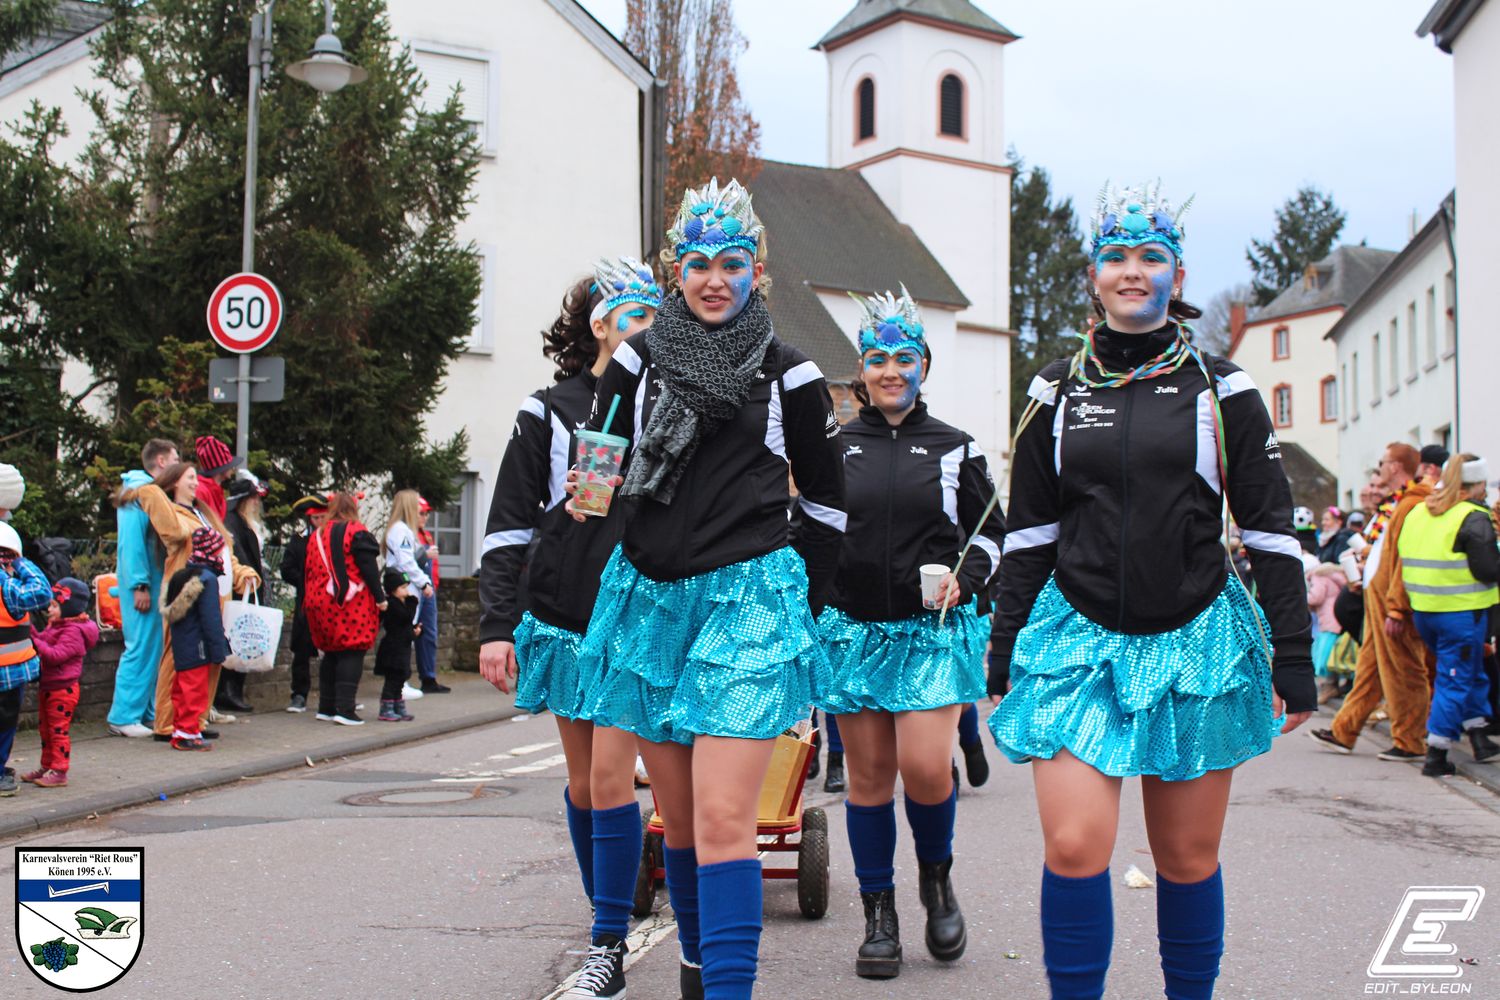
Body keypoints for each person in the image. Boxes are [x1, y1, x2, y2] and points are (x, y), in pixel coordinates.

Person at [989, 183, 1315, 1000]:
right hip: (1077, 639)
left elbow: (1270, 530)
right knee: (1074, 847)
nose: (1132, 271)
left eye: (1151, 257)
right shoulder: (1055, 389)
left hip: (1196, 639)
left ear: (1177, 274)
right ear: (1093, 276)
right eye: (1115, 257)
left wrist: (1294, 655)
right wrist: (1004, 644)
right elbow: (1029, 533)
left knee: (1186, 858)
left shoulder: (1224, 387)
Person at [570, 178, 846, 1000]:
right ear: (676, 272)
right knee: (683, 821)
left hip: (748, 606)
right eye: (699, 264)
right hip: (652, 604)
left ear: (757, 269)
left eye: (732, 263)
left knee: (727, 819)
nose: (715, 279)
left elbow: (828, 507)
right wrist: (588, 523)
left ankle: (725, 986)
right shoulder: (635, 362)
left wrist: (799, 614)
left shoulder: (791, 373)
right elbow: (595, 483)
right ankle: (698, 962)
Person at [478, 257, 660, 1000]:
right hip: (568, 615)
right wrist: (496, 625)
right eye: (635, 316)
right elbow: (507, 523)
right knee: (586, 785)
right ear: (601, 326)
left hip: (648, 618)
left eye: (656, 316)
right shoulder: (550, 409)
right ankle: (608, 904)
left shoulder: (672, 405)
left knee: (617, 780)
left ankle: (607, 943)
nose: (649, 329)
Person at [814, 287, 1004, 980]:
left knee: (925, 769)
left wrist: (966, 579)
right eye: (876, 359)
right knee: (868, 781)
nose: (890, 371)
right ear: (861, 370)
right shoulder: (834, 449)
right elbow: (807, 534)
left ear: (924, 365)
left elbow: (994, 537)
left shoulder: (957, 448)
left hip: (930, 633)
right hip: (854, 632)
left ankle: (936, 881)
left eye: (903, 358)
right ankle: (879, 917)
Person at [1310, 443, 1436, 760]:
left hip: (1393, 603)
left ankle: (1410, 740)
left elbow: (1403, 560)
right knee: (1370, 671)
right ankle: (1344, 730)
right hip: (1378, 600)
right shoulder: (1397, 503)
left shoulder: (1410, 504)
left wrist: (1397, 607)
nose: (1379, 469)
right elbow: (1383, 551)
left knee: (1404, 671)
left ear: (1395, 466)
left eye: (1383, 463)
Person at [135, 462, 260, 742]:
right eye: (189, 478)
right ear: (174, 482)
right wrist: (151, 489)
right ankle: (167, 723)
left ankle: (196, 719)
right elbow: (173, 531)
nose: (195, 482)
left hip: (217, 594)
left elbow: (224, 552)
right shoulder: (172, 515)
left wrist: (242, 573)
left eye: (195, 477)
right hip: (187, 594)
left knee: (212, 658)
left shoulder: (204, 514)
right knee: (177, 658)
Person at [1396, 453, 1500, 774]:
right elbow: (1487, 569)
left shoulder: (1418, 511)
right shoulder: (1473, 516)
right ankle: (1437, 753)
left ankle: (1479, 735)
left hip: (1426, 611)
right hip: (1462, 612)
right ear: (1477, 483)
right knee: (1454, 679)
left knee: (1469, 670)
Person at [107, 438, 179, 738]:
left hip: (150, 581)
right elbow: (132, 543)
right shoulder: (139, 493)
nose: (178, 465)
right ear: (161, 461)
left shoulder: (145, 491)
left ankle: (145, 710)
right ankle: (123, 715)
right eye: (175, 459)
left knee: (152, 647)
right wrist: (139, 584)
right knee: (141, 646)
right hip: (144, 583)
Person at [304, 492, 386, 725]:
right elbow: (368, 568)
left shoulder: (317, 535)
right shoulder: (355, 531)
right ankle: (345, 709)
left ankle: (326, 707)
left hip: (318, 602)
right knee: (351, 651)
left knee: (331, 652)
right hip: (348, 602)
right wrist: (380, 598)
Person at [22, 578, 100, 786]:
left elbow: (54, 655)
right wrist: (29, 629)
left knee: (58, 731)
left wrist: (33, 640)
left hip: (63, 689)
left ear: (68, 609)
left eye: (55, 606)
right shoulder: (56, 626)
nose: (49, 609)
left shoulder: (73, 631)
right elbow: (44, 641)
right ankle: (47, 765)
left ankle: (60, 771)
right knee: (45, 731)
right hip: (49, 686)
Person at [161, 528, 233, 750]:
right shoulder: (207, 579)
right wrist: (218, 649)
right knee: (195, 691)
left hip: (182, 643)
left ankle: (179, 729)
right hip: (199, 645)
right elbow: (211, 618)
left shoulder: (181, 576)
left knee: (181, 689)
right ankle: (188, 734)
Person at [0, 522, 53, 795]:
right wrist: (22, 563)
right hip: (8, 673)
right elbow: (42, 592)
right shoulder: (7, 585)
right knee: (4, 725)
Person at [384, 490, 444, 693]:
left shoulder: (401, 529)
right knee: (403, 636)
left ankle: (400, 682)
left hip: (408, 586)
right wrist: (424, 583)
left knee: (406, 635)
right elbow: (406, 562)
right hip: (407, 587)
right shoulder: (401, 530)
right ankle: (399, 683)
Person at [219, 471, 268, 714]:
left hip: (248, 582)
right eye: (253, 498)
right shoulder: (232, 521)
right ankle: (228, 691)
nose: (257, 503)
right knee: (237, 637)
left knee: (243, 639)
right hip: (240, 584)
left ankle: (234, 690)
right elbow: (238, 553)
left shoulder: (243, 520)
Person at [280, 496, 327, 712]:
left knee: (335, 650)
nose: (320, 522)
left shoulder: (334, 537)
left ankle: (336, 695)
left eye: (323, 517)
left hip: (330, 602)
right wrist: (306, 581)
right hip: (306, 601)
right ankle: (299, 694)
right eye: (316, 518)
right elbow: (287, 569)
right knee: (301, 650)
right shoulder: (299, 540)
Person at [375, 569, 419, 722]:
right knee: (392, 679)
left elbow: (406, 627)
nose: (407, 591)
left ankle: (397, 705)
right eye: (403, 588)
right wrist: (412, 602)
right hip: (393, 649)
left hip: (402, 647)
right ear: (393, 590)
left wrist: (415, 632)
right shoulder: (393, 605)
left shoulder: (401, 604)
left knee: (401, 678)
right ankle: (386, 707)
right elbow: (406, 618)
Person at [415, 497, 445, 694]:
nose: (425, 517)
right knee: (414, 633)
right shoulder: (409, 535)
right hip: (417, 588)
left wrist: (435, 584)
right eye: (421, 513)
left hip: (428, 589)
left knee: (430, 633)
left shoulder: (425, 536)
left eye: (426, 513)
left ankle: (429, 676)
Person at [192, 436, 243, 522]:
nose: (233, 468)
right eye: (229, 465)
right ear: (221, 468)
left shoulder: (217, 492)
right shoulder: (201, 491)